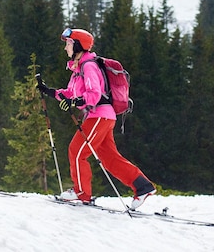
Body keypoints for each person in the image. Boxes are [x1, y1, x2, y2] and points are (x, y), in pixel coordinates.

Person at [37, 27, 156, 210]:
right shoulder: (78, 70)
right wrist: (49, 91)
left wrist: (76, 101)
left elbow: (94, 94)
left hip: (99, 116)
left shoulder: (89, 66)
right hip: (101, 117)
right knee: (110, 159)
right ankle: (143, 187)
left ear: (77, 45)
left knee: (76, 151)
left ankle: (81, 193)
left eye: (68, 44)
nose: (65, 48)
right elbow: (70, 93)